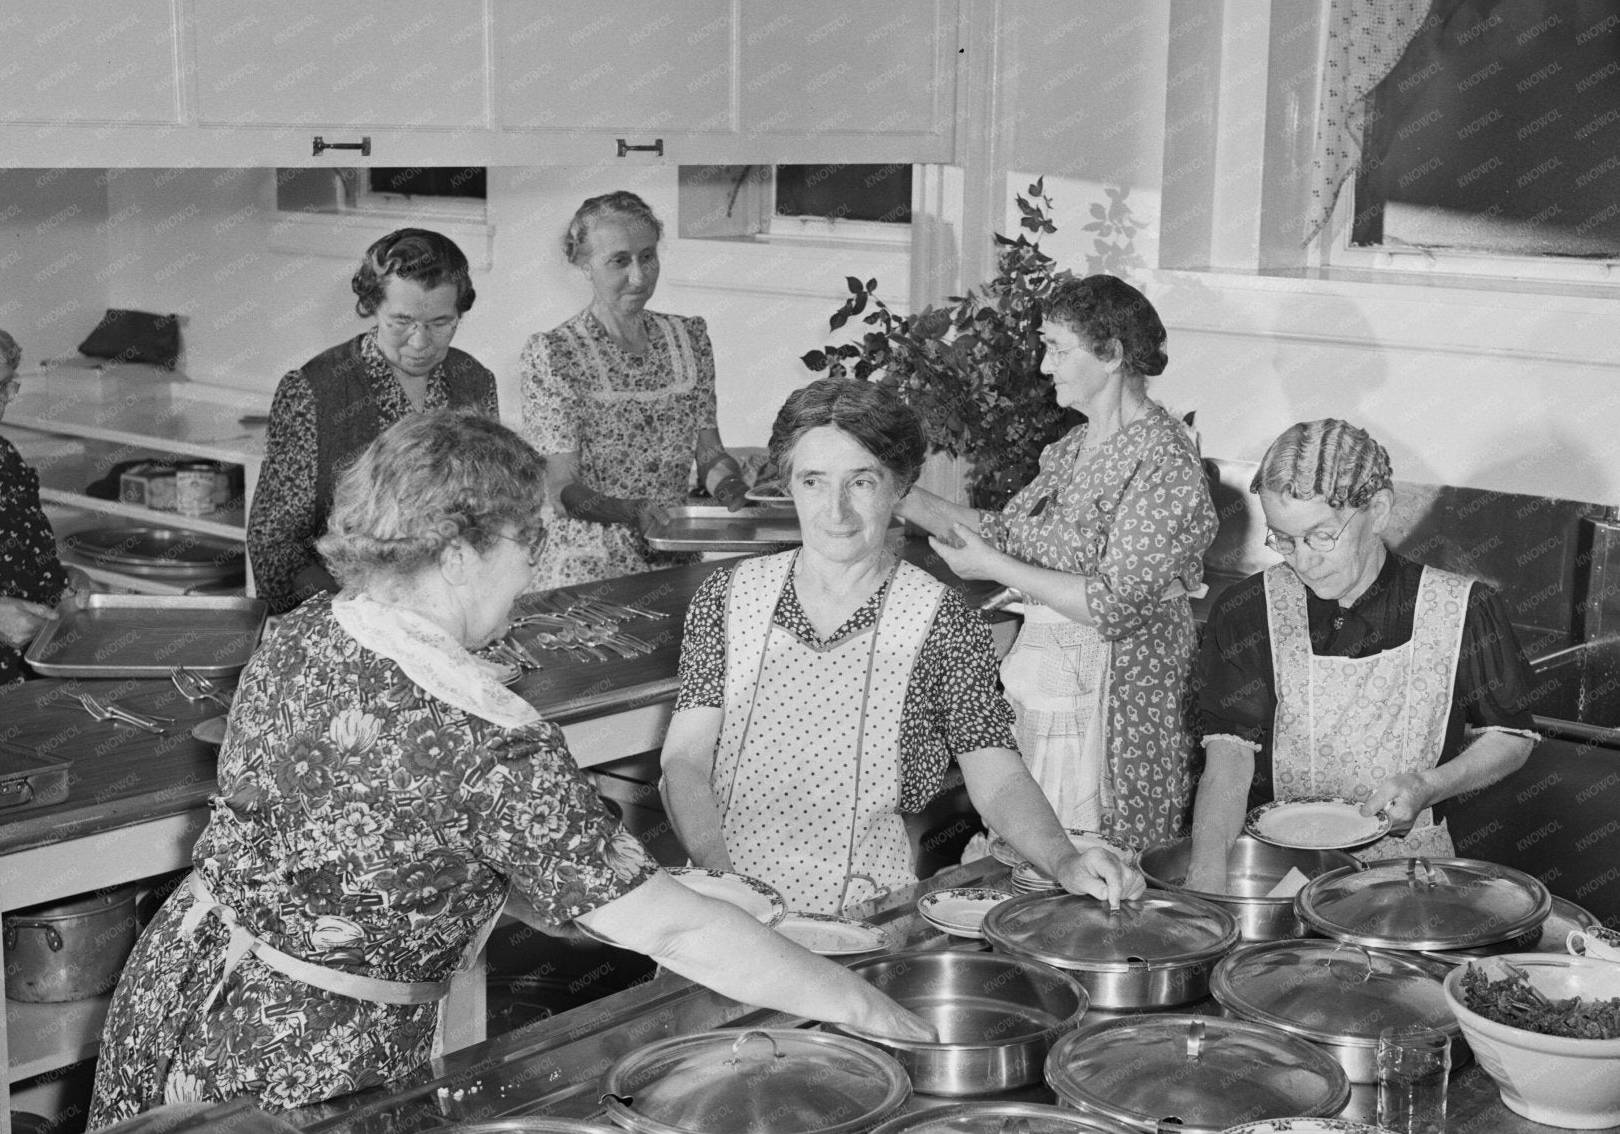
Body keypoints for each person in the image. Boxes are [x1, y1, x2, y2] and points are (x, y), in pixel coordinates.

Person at [88, 411, 930, 1128]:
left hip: (181, 984)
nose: (532, 572)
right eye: (528, 542)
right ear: (460, 554)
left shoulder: (315, 625)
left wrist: (676, 888)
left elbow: (430, 855)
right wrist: (867, 1008)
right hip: (304, 1056)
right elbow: (669, 932)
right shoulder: (486, 737)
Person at [660, 378, 1144, 917]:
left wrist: (1063, 860)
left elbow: (996, 773)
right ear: (787, 485)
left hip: (861, 913)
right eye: (814, 481)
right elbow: (683, 762)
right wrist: (726, 885)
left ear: (899, 488)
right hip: (721, 905)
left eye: (861, 482)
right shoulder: (726, 598)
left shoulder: (940, 620)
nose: (836, 511)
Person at [897, 276, 1217, 853]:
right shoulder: (1072, 448)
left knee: (1106, 865)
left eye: (1057, 349)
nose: (1045, 367)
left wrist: (994, 565)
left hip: (1122, 698)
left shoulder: (1164, 458)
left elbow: (1115, 605)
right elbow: (1005, 534)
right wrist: (894, 488)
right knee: (1035, 854)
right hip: (1054, 681)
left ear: (1112, 354)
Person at [1184, 419, 1540, 891]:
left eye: (1320, 536)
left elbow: (1510, 737)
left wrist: (1430, 787)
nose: (1302, 561)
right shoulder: (1248, 611)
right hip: (1282, 875)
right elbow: (1229, 756)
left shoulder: (1462, 609)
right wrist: (1206, 878)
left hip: (1409, 879)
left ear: (1378, 510)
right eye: (1284, 540)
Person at [247, 228, 497, 615]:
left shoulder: (475, 382)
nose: (419, 342)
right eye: (402, 322)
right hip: (346, 614)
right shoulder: (314, 391)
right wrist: (355, 613)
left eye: (440, 322)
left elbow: (488, 513)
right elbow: (275, 545)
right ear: (373, 306)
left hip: (448, 611)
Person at [519, 191, 747, 589]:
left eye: (648, 256)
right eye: (619, 261)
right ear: (583, 264)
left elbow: (709, 453)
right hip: (588, 567)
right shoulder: (555, 353)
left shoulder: (688, 339)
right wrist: (629, 510)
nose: (639, 277)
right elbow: (560, 489)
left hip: (675, 554)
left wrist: (739, 493)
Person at [0, 314, 85, 688]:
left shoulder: (2, 454)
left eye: (3, 387)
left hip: (34, 667)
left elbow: (21, 550)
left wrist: (63, 578)